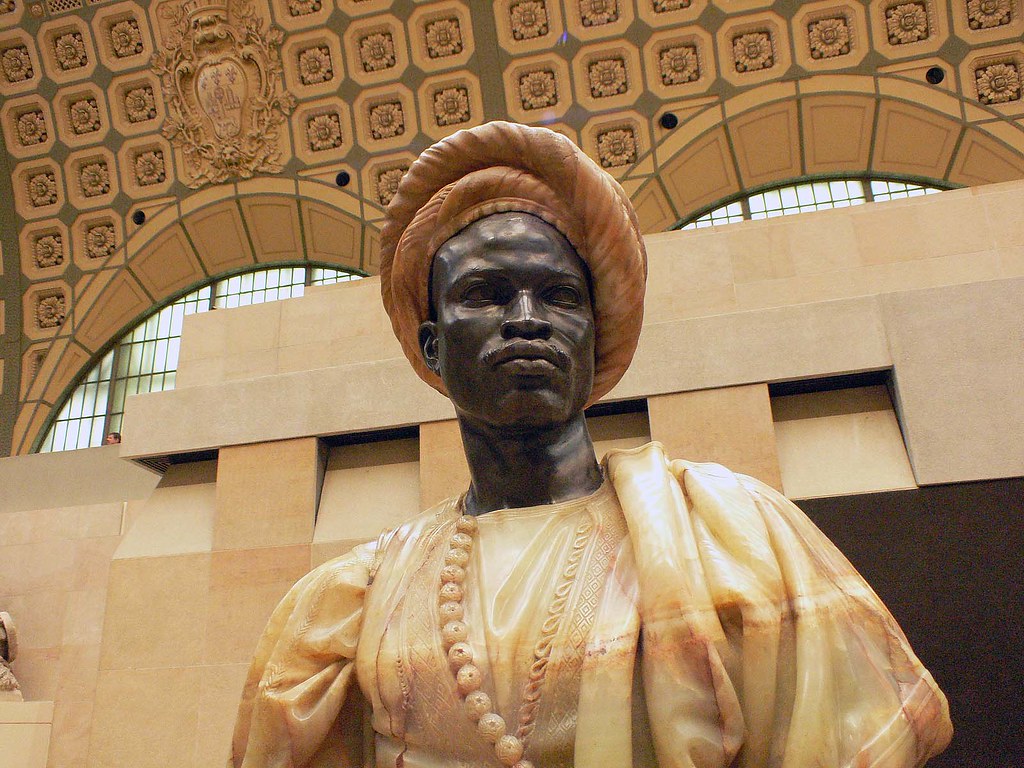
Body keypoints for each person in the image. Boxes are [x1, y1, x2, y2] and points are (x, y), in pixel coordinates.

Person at [229, 122, 952, 768]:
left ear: (593, 336)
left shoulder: (735, 535)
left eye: (559, 296)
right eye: (486, 293)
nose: (527, 320)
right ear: (432, 345)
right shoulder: (354, 599)